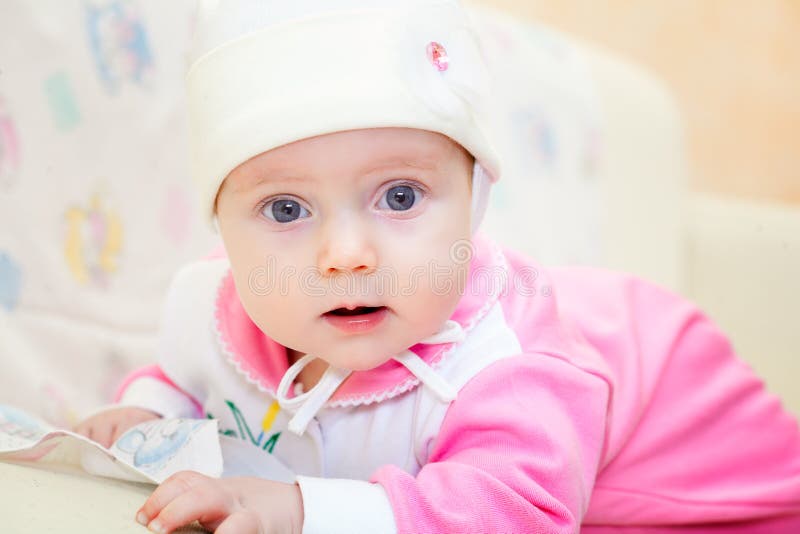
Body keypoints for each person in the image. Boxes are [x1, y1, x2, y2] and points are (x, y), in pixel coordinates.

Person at [75, 1, 800, 532]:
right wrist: (152, 411)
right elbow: (184, 375)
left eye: (399, 195)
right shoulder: (221, 303)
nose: (346, 255)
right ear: (224, 227)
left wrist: (302, 509)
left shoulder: (511, 367)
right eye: (286, 210)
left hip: (719, 498)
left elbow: (517, 513)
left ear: (475, 204)